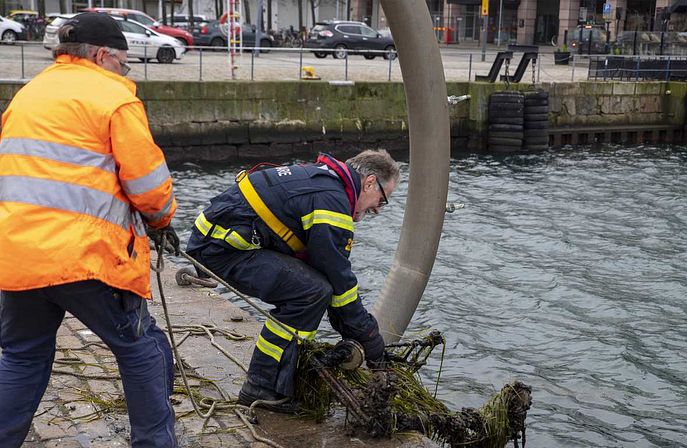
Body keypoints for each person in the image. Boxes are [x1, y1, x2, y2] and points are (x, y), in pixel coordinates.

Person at [0, 13, 179, 447]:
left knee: (22, 356)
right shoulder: (113, 99)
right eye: (124, 62)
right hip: (86, 257)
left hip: (18, 256)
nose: (125, 71)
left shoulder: (29, 95)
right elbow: (150, 186)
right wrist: (161, 222)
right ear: (102, 55)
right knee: (141, 349)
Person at [186, 149, 399, 412]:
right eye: (383, 198)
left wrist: (358, 333)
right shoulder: (331, 202)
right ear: (369, 183)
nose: (378, 208)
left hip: (217, 240)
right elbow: (340, 286)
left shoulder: (325, 182)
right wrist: (371, 342)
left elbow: (330, 273)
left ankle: (275, 378)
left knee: (314, 286)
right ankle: (262, 386)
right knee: (310, 291)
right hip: (222, 250)